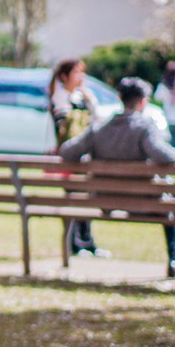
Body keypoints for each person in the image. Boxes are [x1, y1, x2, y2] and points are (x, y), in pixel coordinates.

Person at [59, 77, 175, 278]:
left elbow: (67, 151)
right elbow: (162, 154)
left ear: (119, 98)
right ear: (143, 101)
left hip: (107, 200)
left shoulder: (98, 129)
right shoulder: (143, 127)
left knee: (170, 203)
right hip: (147, 204)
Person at [47, 58, 105, 257]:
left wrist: (90, 100)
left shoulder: (80, 96)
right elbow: (66, 130)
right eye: (77, 73)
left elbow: (97, 121)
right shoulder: (61, 98)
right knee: (75, 201)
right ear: (65, 76)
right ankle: (76, 244)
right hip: (71, 160)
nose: (81, 77)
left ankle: (87, 242)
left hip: (84, 159)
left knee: (85, 199)